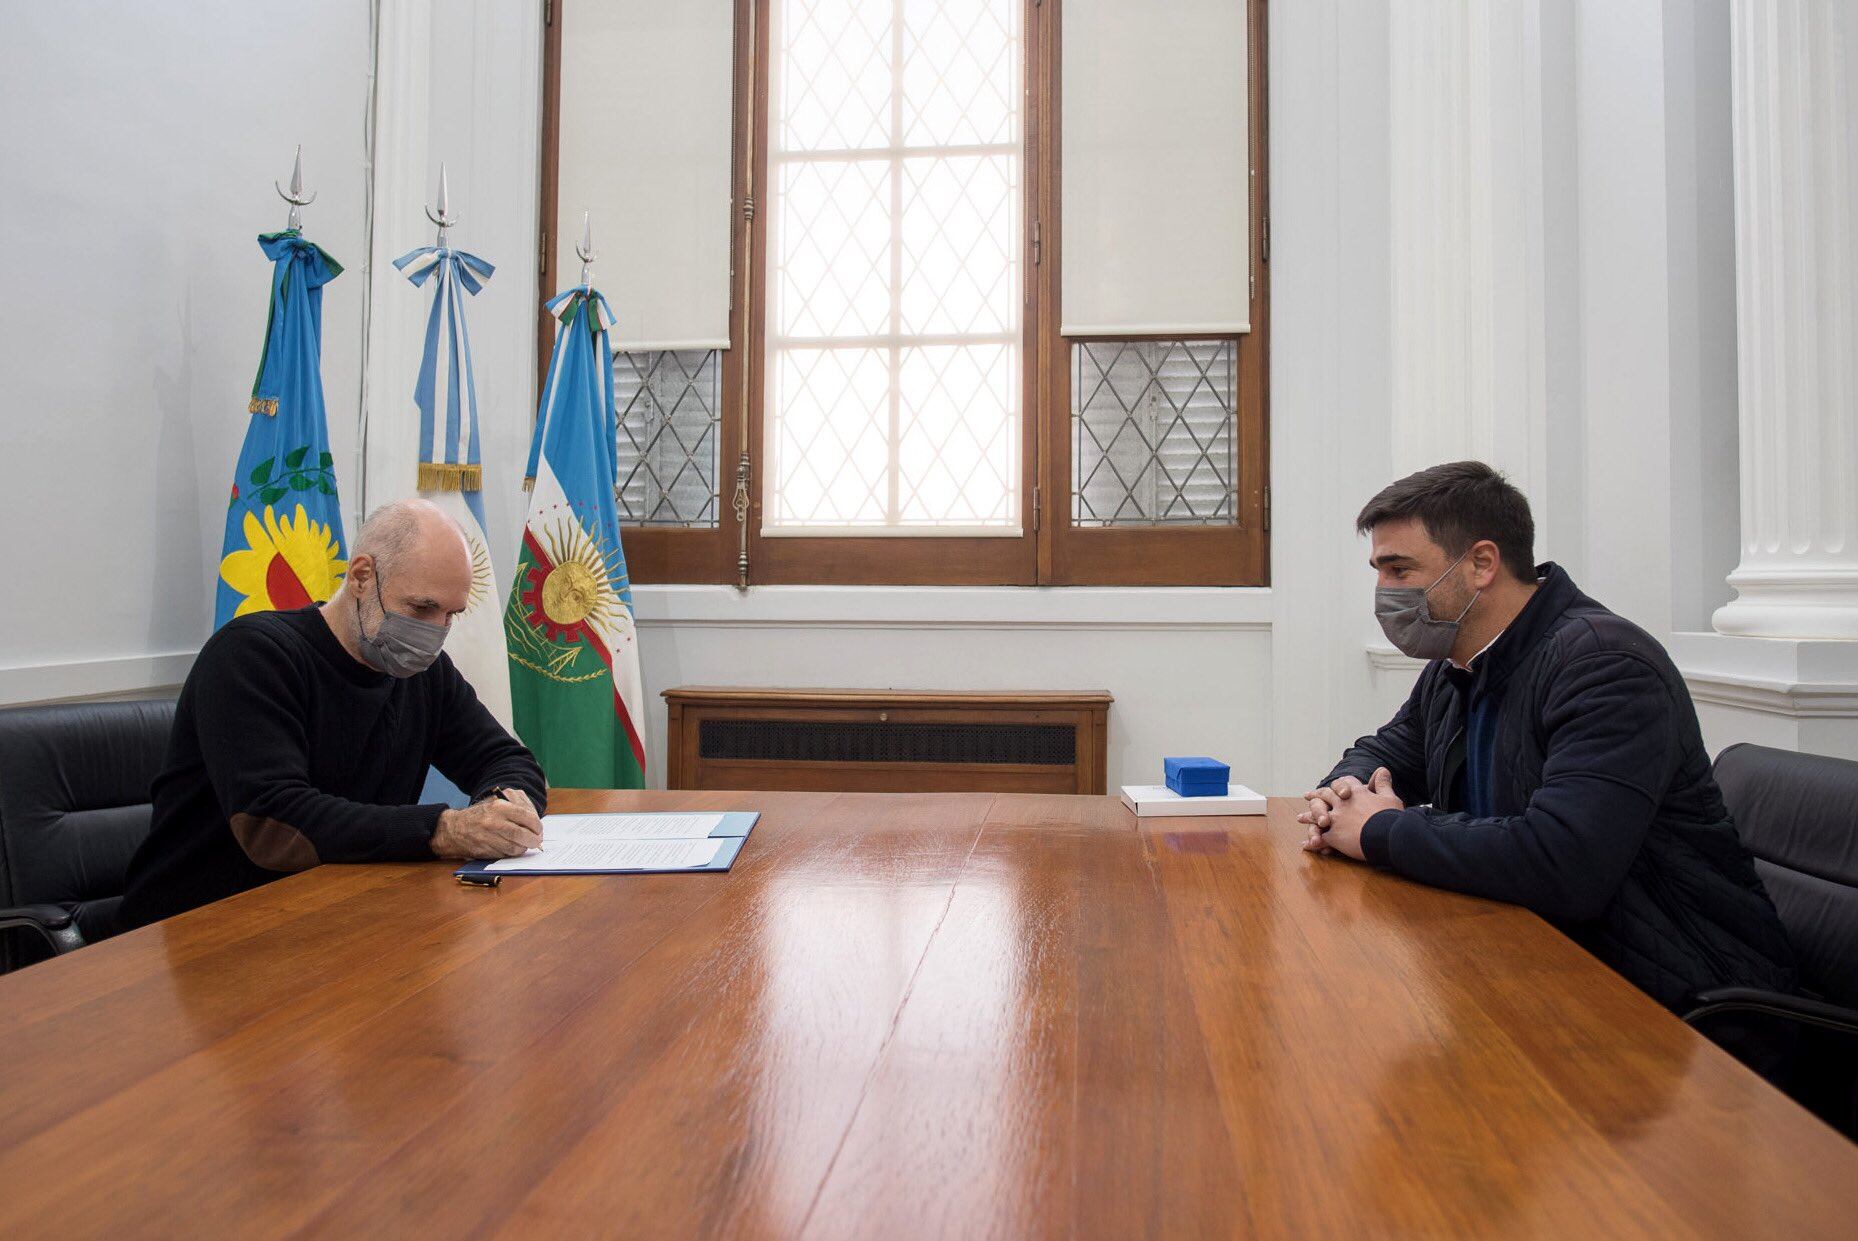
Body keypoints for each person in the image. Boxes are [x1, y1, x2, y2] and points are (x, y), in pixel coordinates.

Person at [1300, 462, 1797, 1074]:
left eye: (1400, 570)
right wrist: (1342, 794)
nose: (1384, 592)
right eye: (1378, 572)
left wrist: (1378, 831)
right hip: (1528, 965)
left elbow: (1565, 862)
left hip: (1678, 1014)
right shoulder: (1457, 663)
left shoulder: (1606, 665)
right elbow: (1384, 752)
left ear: (1482, 564)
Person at [121, 499, 547, 928]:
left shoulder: (423, 673)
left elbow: (505, 759)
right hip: (201, 928)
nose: (436, 631)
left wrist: (503, 808)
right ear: (362, 576)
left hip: (332, 912)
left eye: (450, 614)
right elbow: (274, 822)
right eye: (421, 608)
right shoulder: (253, 656)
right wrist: (444, 829)